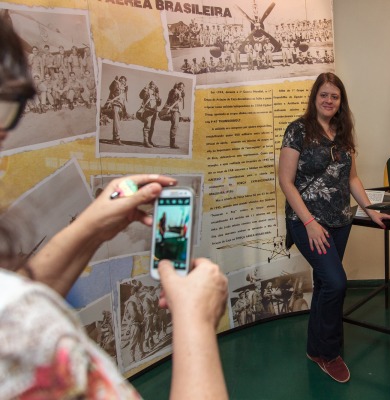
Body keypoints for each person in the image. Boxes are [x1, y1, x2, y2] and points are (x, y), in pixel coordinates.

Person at [0, 22, 228, 399]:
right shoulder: (20, 337)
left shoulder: (19, 314)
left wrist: (91, 227)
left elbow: (19, 300)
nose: (6, 133)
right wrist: (196, 322)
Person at [278, 72, 390, 383]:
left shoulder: (343, 132)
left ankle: (314, 347)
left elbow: (352, 179)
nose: (329, 100)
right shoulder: (298, 130)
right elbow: (285, 181)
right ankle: (329, 353)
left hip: (339, 222)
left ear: (340, 101)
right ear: (314, 97)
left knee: (324, 284)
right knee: (336, 283)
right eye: (324, 95)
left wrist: (372, 212)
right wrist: (309, 223)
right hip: (307, 223)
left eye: (335, 96)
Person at [158, 82, 185, 149]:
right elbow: (171, 100)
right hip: (174, 110)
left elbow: (180, 103)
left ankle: (172, 143)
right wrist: (176, 92)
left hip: (177, 111)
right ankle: (172, 144)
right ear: (177, 86)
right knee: (175, 126)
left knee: (175, 125)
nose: (181, 88)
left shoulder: (181, 93)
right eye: (180, 87)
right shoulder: (174, 92)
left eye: (182, 88)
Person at [138, 80, 161, 148]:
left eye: (153, 85)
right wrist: (144, 89)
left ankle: (149, 140)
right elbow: (141, 96)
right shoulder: (146, 91)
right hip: (147, 110)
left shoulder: (156, 93)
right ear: (149, 85)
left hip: (154, 111)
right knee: (147, 126)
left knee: (152, 127)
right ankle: (146, 142)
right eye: (151, 84)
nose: (152, 85)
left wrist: (159, 99)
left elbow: (159, 104)